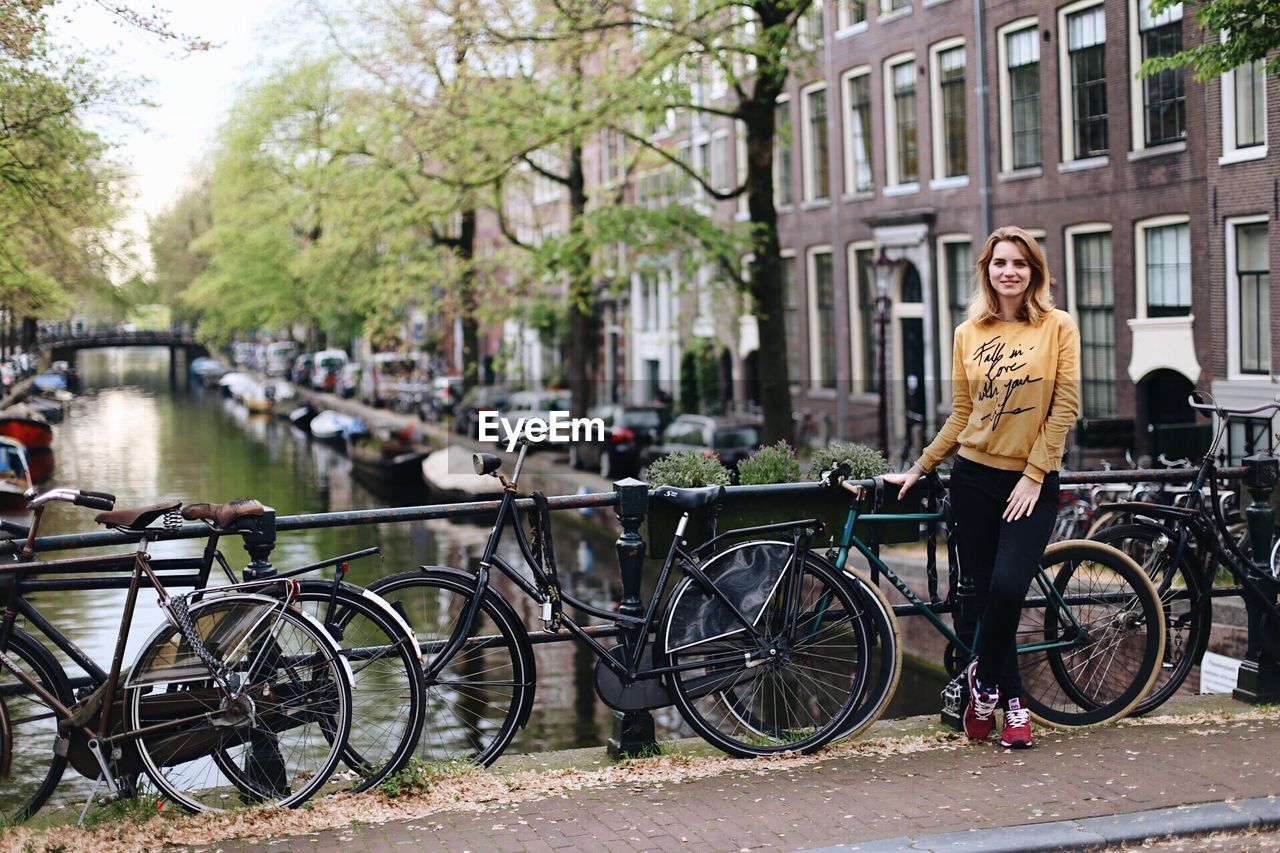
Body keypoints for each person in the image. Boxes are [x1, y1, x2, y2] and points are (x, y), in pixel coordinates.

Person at [884, 225, 1080, 749]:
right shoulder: (967, 333)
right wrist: (920, 467)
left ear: (1033, 272)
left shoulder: (1057, 327)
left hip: (1030, 482)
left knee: (1009, 588)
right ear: (987, 271)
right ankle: (1013, 705)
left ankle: (981, 679)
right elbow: (962, 415)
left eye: (1019, 263)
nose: (1008, 271)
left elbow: (1064, 408)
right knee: (984, 593)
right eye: (999, 263)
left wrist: (1035, 474)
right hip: (971, 478)